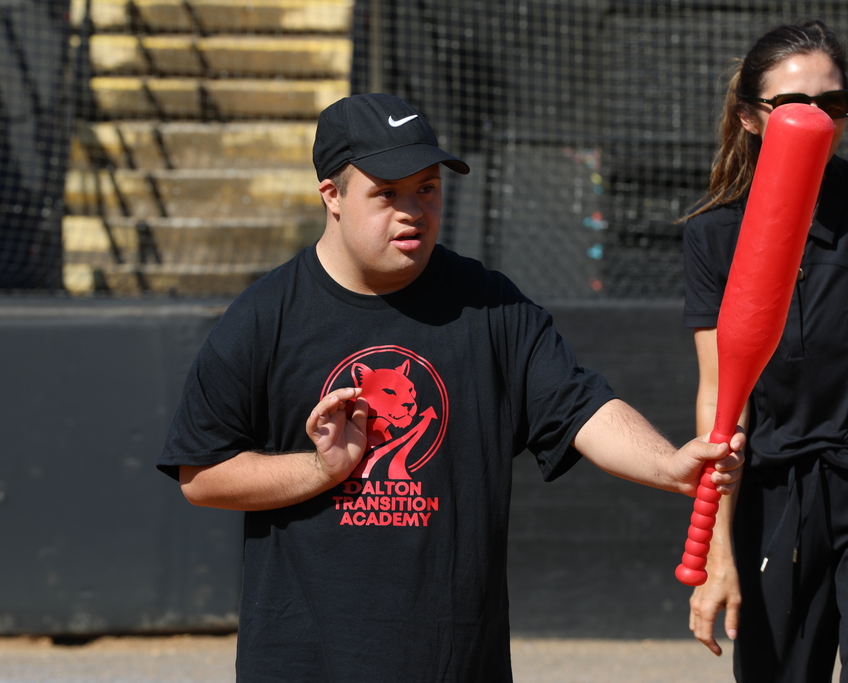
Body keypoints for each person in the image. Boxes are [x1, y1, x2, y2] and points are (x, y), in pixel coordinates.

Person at [158, 92, 744, 682]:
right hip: (305, 664)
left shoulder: (490, 306)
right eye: (386, 193)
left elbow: (582, 409)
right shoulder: (265, 316)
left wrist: (669, 466)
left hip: (455, 664)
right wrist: (319, 471)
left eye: (427, 189)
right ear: (331, 196)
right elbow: (201, 475)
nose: (412, 210)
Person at [682, 21, 848, 683]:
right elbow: (718, 401)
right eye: (794, 105)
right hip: (774, 491)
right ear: (750, 117)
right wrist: (719, 553)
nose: (818, 120)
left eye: (835, 105)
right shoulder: (715, 234)